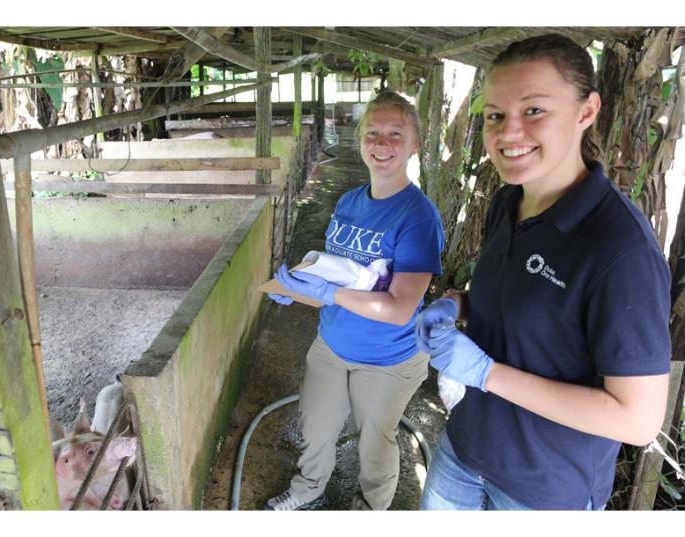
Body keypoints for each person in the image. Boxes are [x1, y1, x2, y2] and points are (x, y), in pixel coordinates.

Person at [416, 33, 672, 511]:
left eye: (534, 110)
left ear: (586, 111)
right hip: (464, 448)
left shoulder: (619, 248)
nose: (508, 133)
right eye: (495, 115)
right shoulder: (506, 201)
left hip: (544, 490)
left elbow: (637, 421)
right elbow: (519, 296)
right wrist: (456, 304)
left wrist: (487, 373)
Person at [264, 91, 444, 510]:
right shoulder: (348, 201)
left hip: (388, 357)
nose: (381, 144)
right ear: (360, 139)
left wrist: (327, 293)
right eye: (373, 132)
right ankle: (308, 492)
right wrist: (299, 289)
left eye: (395, 134)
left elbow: (400, 308)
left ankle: (369, 508)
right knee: (317, 428)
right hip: (332, 343)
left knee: (374, 445)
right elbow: (341, 278)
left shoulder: (418, 217)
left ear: (415, 145)